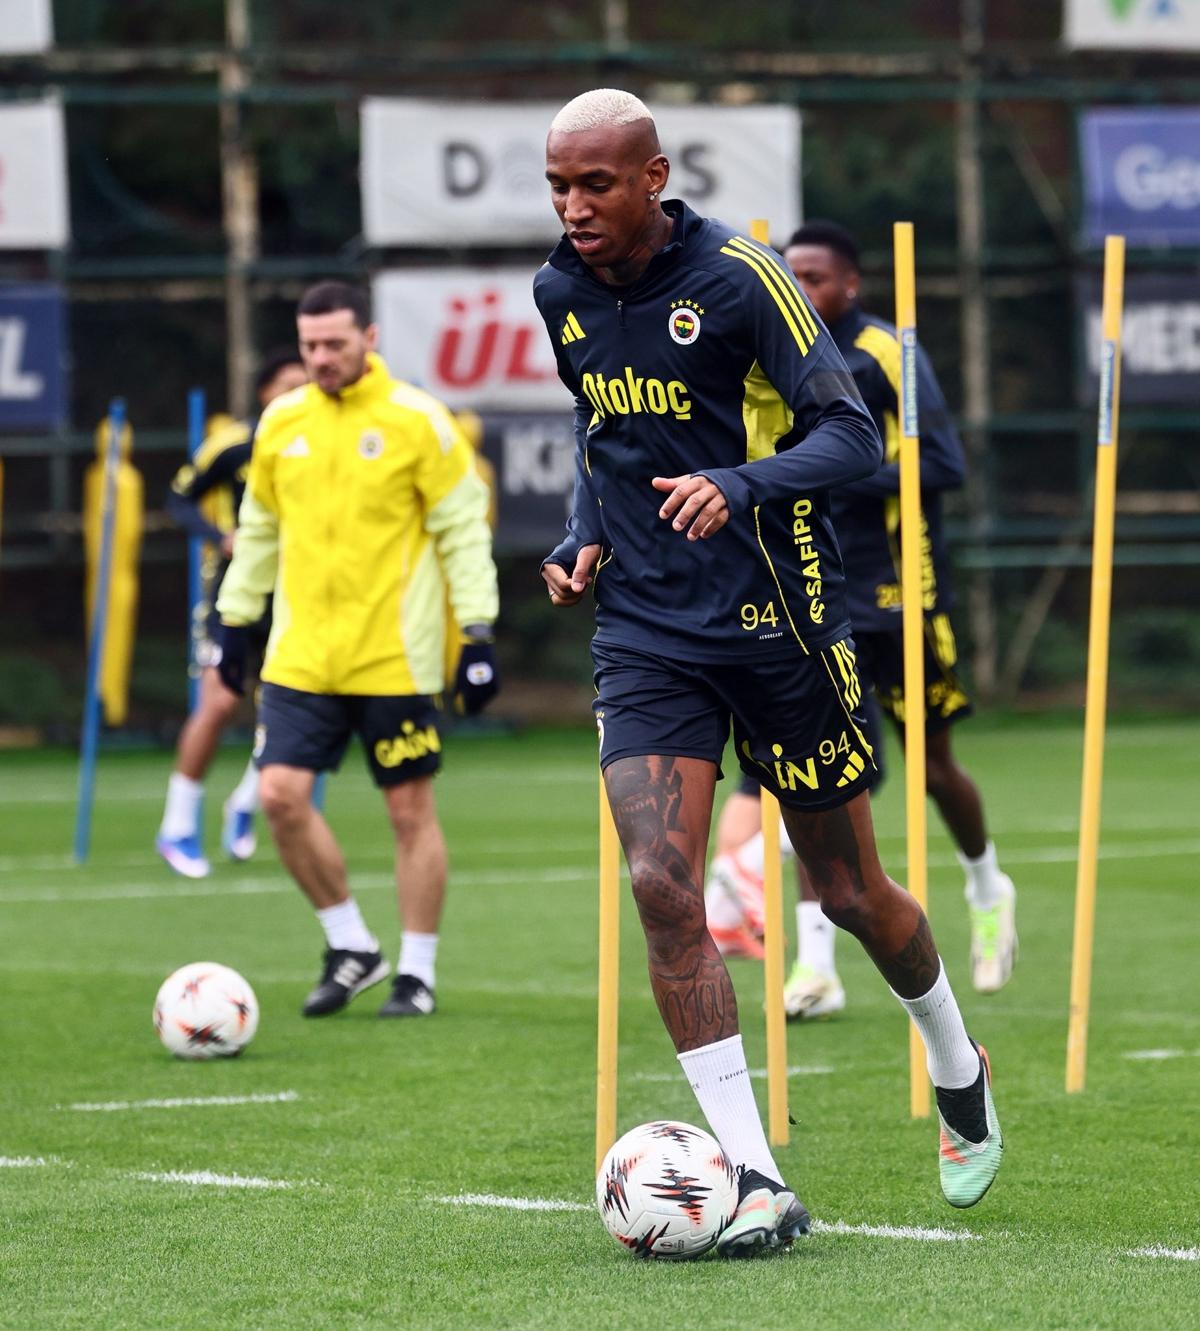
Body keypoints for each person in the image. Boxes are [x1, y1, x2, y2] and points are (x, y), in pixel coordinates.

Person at [537, 89, 1003, 1255]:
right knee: (661, 880)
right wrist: (581, 534)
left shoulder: (744, 279)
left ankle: (957, 1058)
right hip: (646, 632)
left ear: (653, 177)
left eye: (595, 183)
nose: (573, 206)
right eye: (558, 185)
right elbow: (603, 442)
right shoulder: (561, 292)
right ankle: (753, 1172)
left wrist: (737, 485)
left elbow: (851, 434)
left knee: (849, 894)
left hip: (781, 626)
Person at [705, 221, 1018, 1017]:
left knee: (933, 769)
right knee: (825, 771)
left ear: (850, 284)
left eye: (816, 277)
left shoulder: (885, 351)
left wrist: (828, 467)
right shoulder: (770, 346)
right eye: (792, 275)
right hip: (815, 588)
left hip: (900, 587)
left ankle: (987, 885)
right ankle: (816, 967)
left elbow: (942, 462)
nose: (802, 289)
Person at [215, 281, 500, 1019]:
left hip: (393, 657)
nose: (321, 358)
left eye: (335, 344)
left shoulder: (418, 420)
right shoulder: (281, 422)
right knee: (279, 796)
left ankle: (417, 972)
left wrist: (477, 631)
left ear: (369, 338)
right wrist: (234, 620)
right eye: (309, 345)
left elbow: (462, 531)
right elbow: (260, 529)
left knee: (408, 812)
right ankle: (351, 944)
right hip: (300, 655)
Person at [156, 348, 308, 878]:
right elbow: (179, 497)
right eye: (288, 384)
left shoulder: (326, 442)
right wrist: (219, 535)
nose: (298, 393)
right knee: (219, 702)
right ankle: (177, 825)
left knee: (289, 716)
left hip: (301, 595)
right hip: (236, 592)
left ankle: (245, 802)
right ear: (265, 392)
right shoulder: (234, 443)